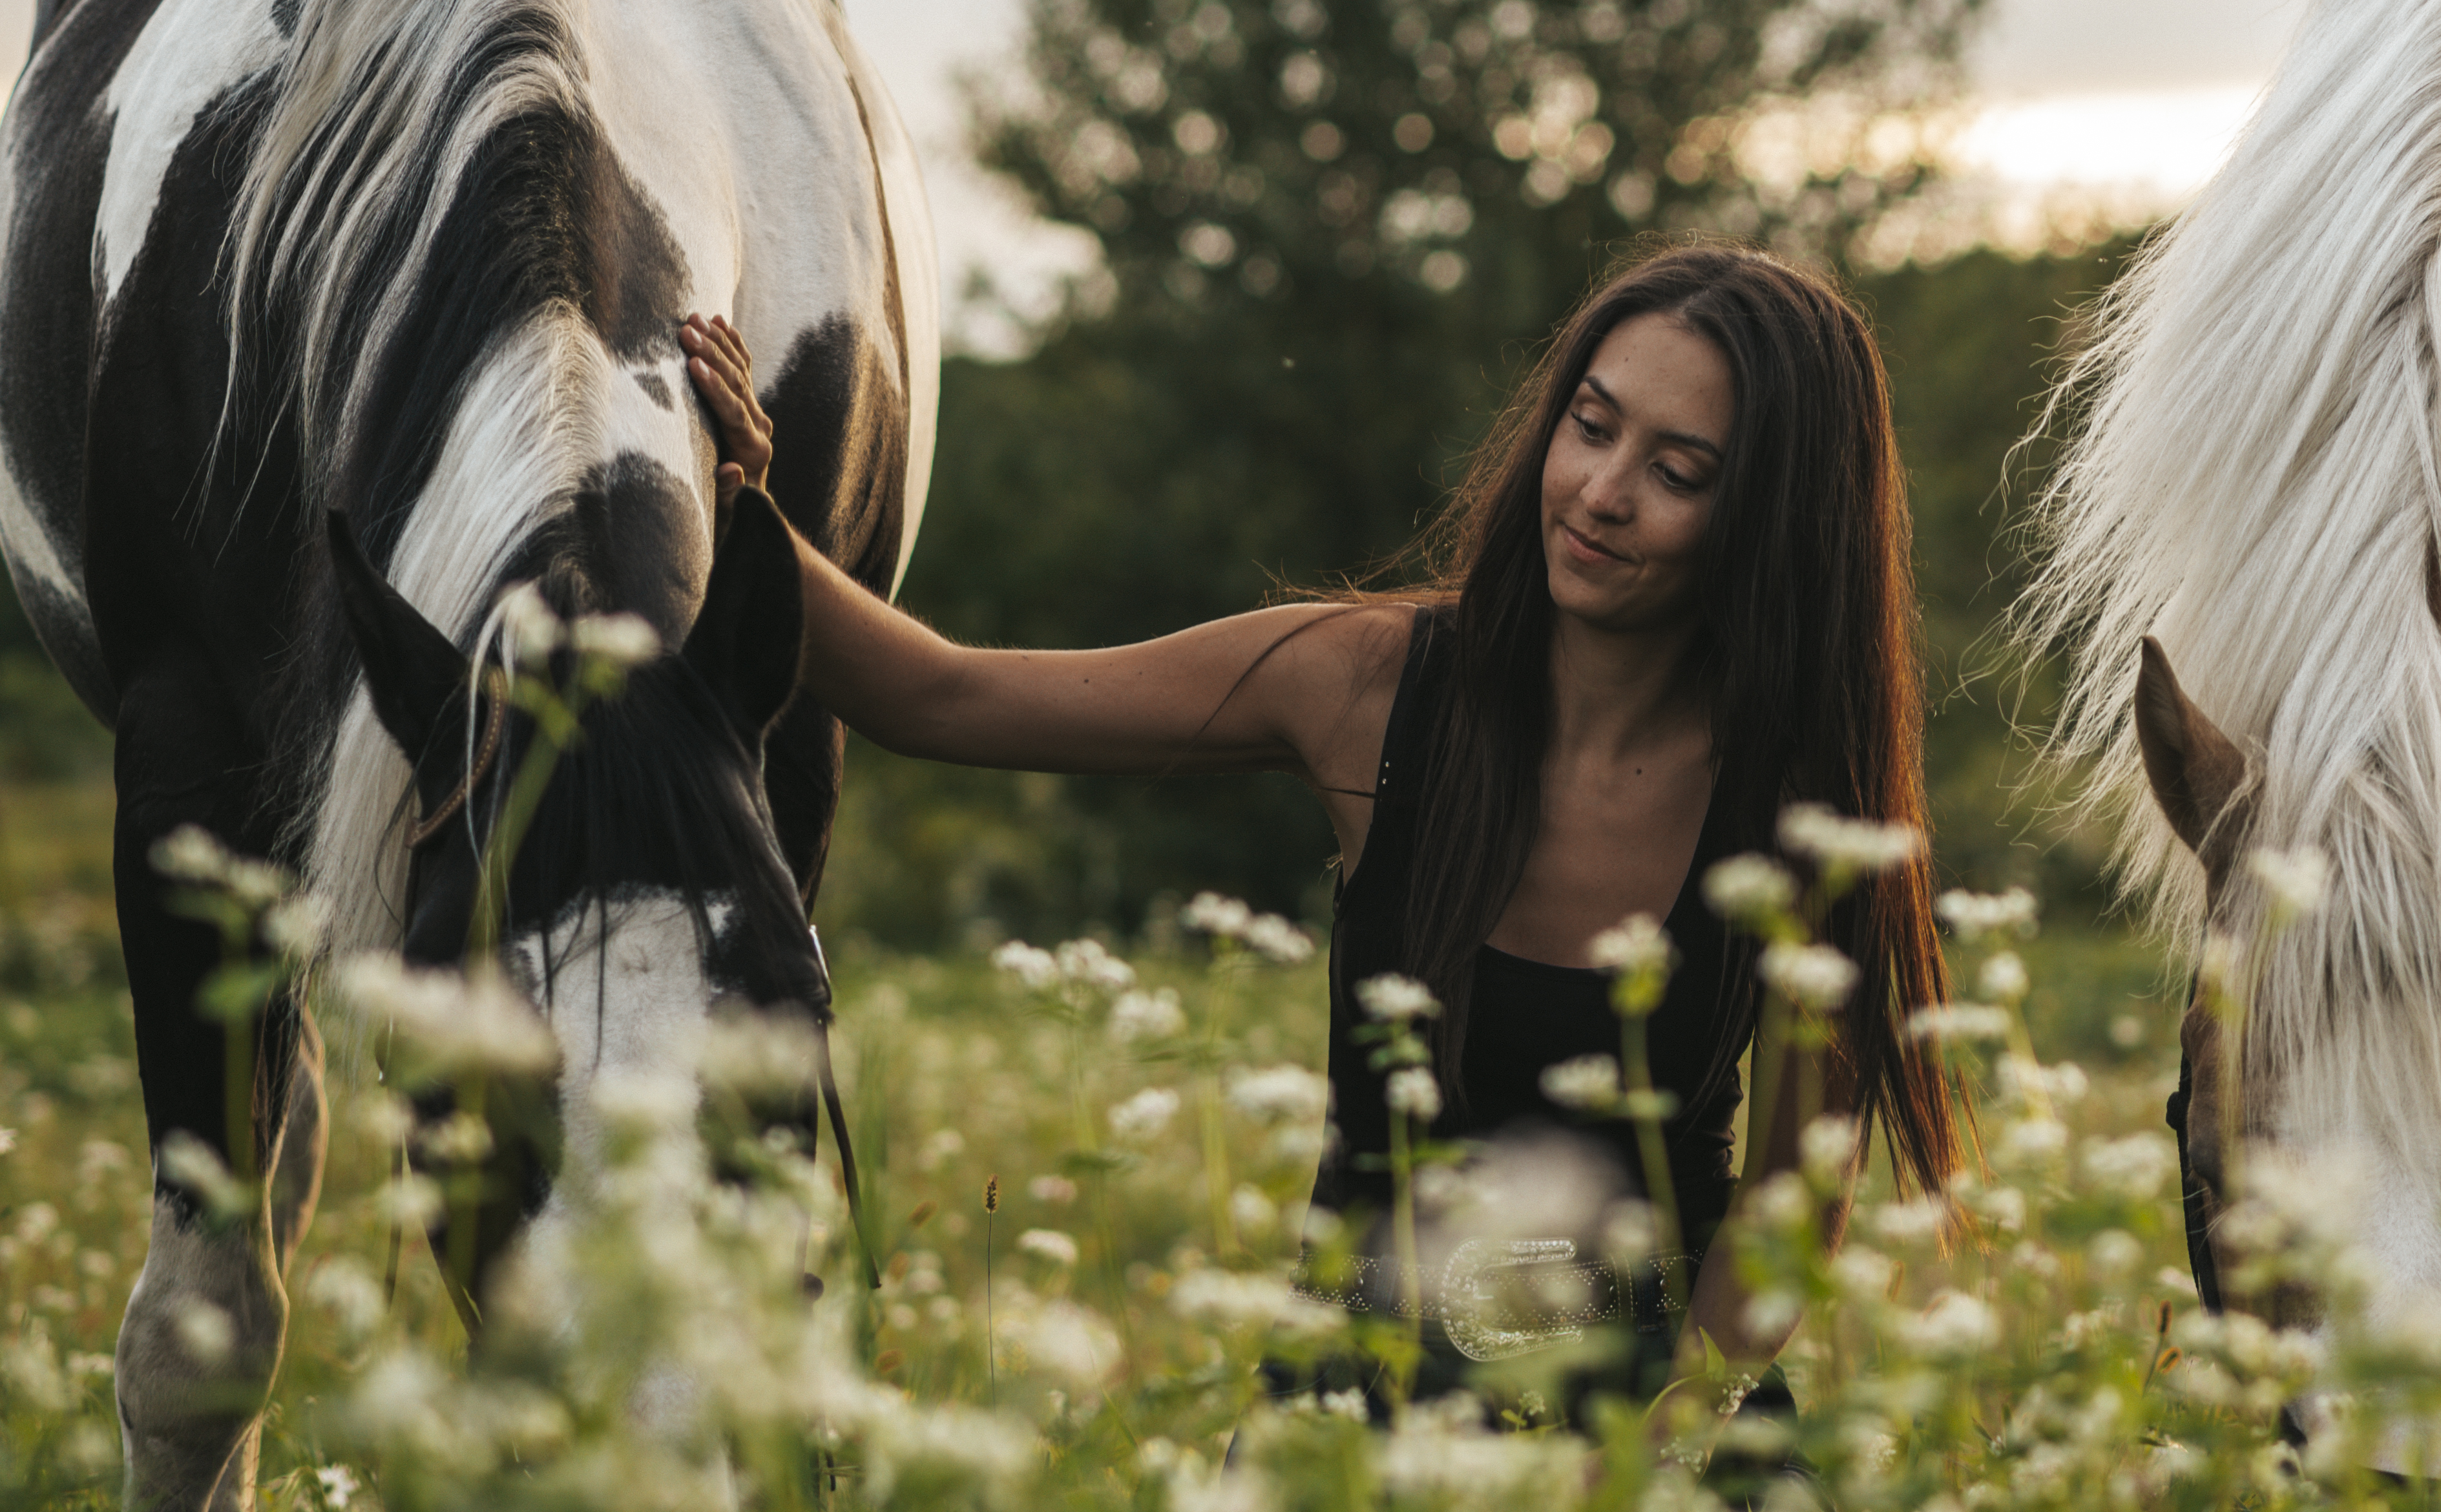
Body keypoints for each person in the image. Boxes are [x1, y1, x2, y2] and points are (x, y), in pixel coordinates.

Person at [678, 244, 1964, 1400]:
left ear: (1765, 524)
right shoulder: (1363, 686)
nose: (1601, 490)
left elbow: (1789, 1215)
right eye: (1590, 425)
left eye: (1677, 470)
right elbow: (942, 695)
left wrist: (1670, 1442)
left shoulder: (1806, 806)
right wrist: (738, 500)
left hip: (1656, 1429)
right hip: (1361, 1416)